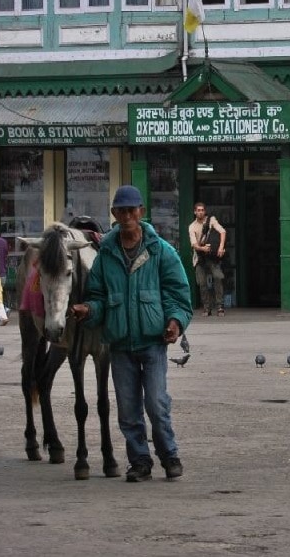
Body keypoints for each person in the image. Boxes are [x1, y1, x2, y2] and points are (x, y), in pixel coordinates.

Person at [72, 185, 193, 483]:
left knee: (155, 403)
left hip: (152, 342)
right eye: (121, 211)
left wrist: (175, 322)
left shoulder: (160, 251)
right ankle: (139, 461)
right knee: (128, 410)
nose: (126, 216)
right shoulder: (106, 255)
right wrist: (89, 310)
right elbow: (98, 296)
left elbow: (179, 294)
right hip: (120, 345)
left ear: (141, 212)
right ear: (114, 214)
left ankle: (169, 455)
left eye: (131, 210)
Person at [188, 202, 227, 317]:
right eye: (198, 210)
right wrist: (202, 248)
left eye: (202, 210)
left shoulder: (211, 220)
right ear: (195, 212)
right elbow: (194, 244)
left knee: (218, 277)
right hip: (200, 257)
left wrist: (220, 247)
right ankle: (207, 307)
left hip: (212, 256)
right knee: (202, 282)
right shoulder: (192, 226)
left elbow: (222, 231)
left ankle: (220, 306)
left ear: (205, 211)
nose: (200, 212)